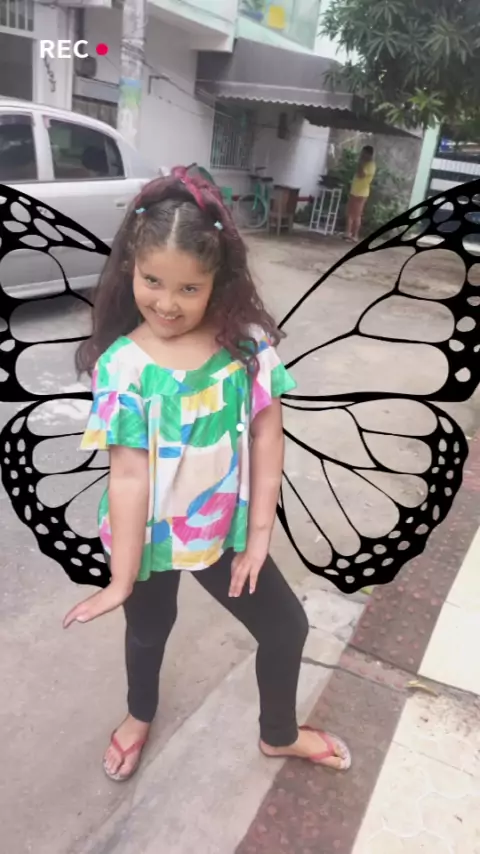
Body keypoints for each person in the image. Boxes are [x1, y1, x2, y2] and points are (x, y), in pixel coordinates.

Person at [63, 167, 351, 782]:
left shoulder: (246, 349)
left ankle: (279, 734)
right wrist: (120, 579)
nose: (167, 303)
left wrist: (259, 537)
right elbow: (129, 475)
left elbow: (267, 434)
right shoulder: (122, 367)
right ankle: (139, 714)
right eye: (152, 281)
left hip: (223, 533)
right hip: (148, 537)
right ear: (130, 268)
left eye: (189, 288)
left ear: (218, 281)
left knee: (286, 626)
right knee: (149, 629)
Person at [345, 145, 376, 242]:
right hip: (355, 191)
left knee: (356, 214)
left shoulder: (370, 165)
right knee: (350, 213)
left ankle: (355, 235)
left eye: (364, 153)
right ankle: (348, 233)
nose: (361, 155)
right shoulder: (364, 163)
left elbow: (361, 174)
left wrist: (361, 163)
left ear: (368, 154)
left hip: (361, 193)